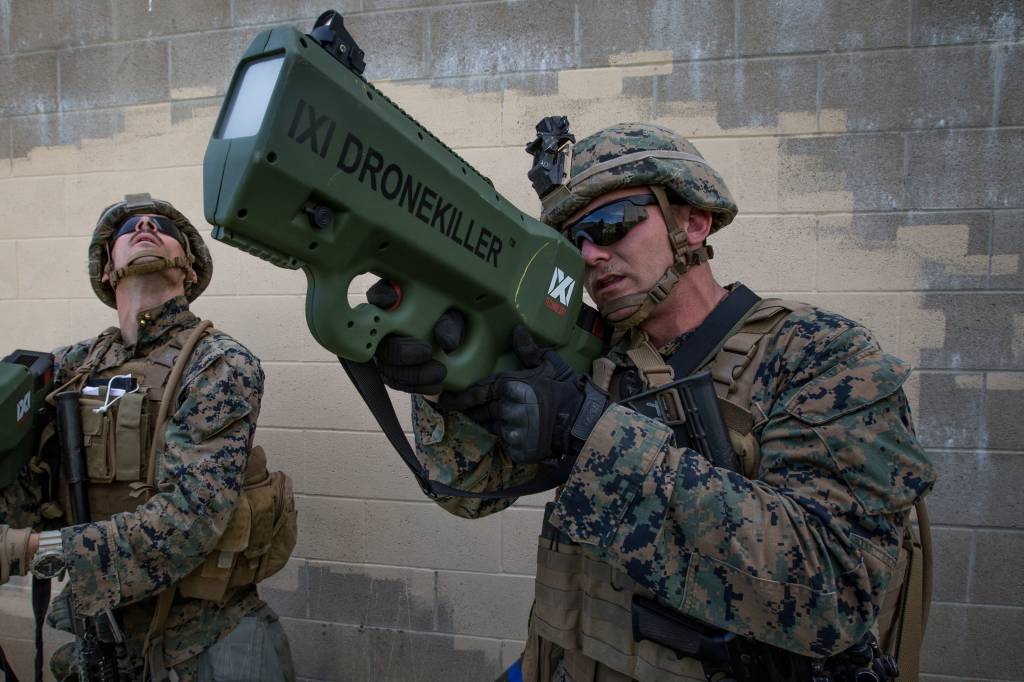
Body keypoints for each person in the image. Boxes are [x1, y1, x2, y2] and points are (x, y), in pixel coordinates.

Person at [370, 123, 936, 681]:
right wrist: (446, 386)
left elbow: (835, 592)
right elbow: (469, 496)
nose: (590, 255)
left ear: (692, 221)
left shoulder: (821, 356)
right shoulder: (588, 358)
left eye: (611, 225)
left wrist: (589, 430)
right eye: (573, 241)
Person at [0, 194, 296, 681]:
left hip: (207, 644)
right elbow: (26, 482)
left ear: (190, 271)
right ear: (105, 270)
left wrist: (34, 549)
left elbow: (188, 521)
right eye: (127, 229)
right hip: (102, 638)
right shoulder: (69, 368)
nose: (144, 226)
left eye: (162, 226)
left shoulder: (218, 362)